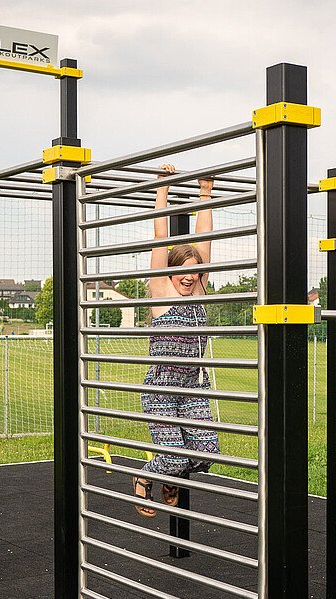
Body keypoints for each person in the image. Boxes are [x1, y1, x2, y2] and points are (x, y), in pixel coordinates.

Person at [134, 164, 220, 516]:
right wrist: (163, 188)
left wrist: (205, 191)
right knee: (172, 455)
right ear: (170, 272)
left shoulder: (197, 289)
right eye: (182, 271)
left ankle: (173, 474)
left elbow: (204, 242)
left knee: (206, 453)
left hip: (193, 386)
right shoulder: (161, 292)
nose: (189, 277)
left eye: (195, 271)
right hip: (162, 390)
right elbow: (160, 237)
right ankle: (147, 476)